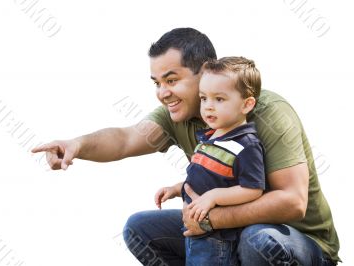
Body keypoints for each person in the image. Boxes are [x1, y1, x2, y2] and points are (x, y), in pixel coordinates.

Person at [31, 28, 340, 265]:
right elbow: (125, 139)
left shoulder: (264, 111)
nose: (163, 93)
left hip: (297, 242)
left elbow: (293, 202)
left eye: (172, 79)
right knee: (140, 229)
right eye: (156, 83)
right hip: (224, 233)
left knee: (256, 240)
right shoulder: (178, 114)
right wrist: (77, 144)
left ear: (205, 71)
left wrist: (209, 219)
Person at [154, 56, 266, 266]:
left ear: (247, 104)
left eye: (219, 99)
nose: (208, 107)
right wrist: (177, 188)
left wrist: (214, 197)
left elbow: (253, 189)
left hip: (217, 238)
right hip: (195, 229)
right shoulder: (210, 136)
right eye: (204, 98)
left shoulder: (246, 145)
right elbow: (206, 175)